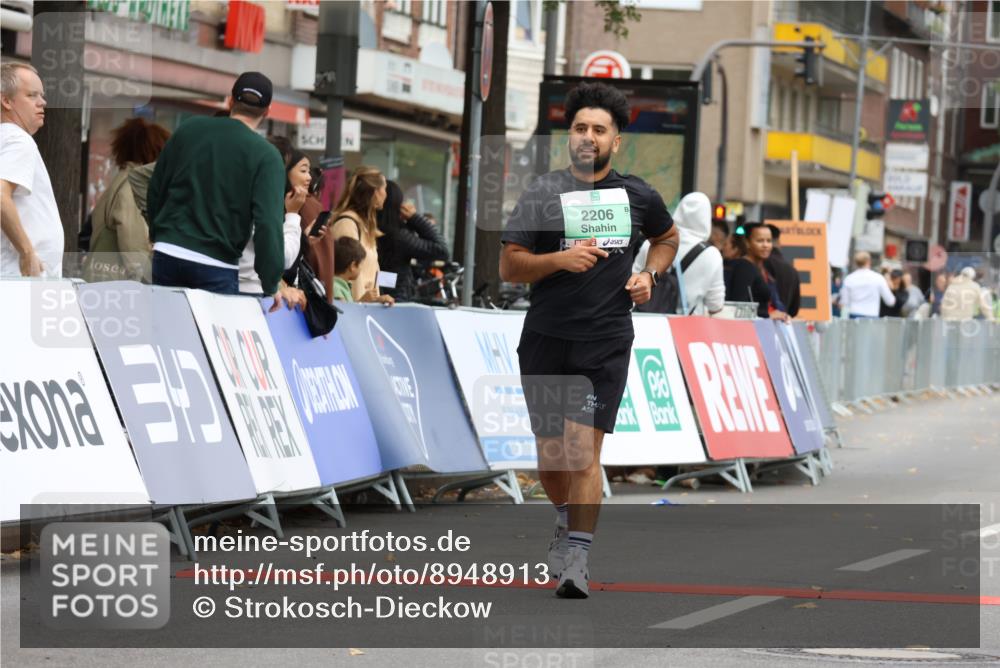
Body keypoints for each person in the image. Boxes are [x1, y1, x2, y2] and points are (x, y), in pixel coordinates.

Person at [499, 82, 680, 599]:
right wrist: (560, 259)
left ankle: (578, 555)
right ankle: (564, 518)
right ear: (569, 137)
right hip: (546, 338)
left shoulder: (638, 196)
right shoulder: (543, 193)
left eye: (599, 129)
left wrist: (650, 274)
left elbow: (667, 238)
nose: (588, 136)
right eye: (580, 127)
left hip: (604, 340)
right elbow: (510, 264)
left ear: (615, 141)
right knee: (551, 458)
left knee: (582, 451)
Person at [146, 72, 289, 307]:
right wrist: (270, 283)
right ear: (267, 112)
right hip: (217, 263)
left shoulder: (189, 129)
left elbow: (157, 187)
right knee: (210, 342)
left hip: (169, 251)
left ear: (230, 101)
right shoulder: (266, 156)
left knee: (167, 335)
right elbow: (268, 224)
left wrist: (157, 233)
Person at [84, 118, 170, 283]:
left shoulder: (121, 181)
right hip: (116, 287)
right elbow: (134, 247)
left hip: (101, 281)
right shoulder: (133, 188)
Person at [0, 63, 61, 278]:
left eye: (41, 95)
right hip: (21, 276)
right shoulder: (19, 140)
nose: (42, 102)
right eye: (32, 95)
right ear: (6, 100)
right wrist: (27, 252)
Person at [236, 141, 312, 296]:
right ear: (282, 171)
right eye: (303, 170)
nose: (309, 177)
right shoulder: (268, 204)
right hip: (249, 290)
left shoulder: (276, 202)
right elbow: (283, 258)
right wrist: (293, 215)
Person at [632, 192, 724, 315]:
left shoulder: (653, 243)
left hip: (647, 322)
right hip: (688, 328)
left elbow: (633, 281)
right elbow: (715, 305)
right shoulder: (712, 254)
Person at [330, 166, 394, 305]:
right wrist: (359, 304)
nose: (386, 194)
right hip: (355, 310)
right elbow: (347, 270)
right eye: (384, 189)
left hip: (367, 308)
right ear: (375, 192)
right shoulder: (347, 223)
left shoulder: (365, 225)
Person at [376, 180, 449, 302]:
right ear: (396, 205)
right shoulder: (399, 236)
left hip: (378, 296)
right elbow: (441, 250)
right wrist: (415, 218)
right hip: (396, 301)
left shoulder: (369, 228)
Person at [725, 223, 790, 321]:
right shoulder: (744, 267)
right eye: (760, 241)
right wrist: (768, 316)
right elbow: (738, 306)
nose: (765, 245)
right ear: (747, 243)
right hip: (746, 331)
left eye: (769, 241)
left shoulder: (760, 267)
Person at [722, 231, 771, 317]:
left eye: (726, 244)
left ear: (735, 248)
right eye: (760, 241)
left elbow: (739, 303)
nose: (722, 248)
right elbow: (739, 303)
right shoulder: (742, 267)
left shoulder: (743, 266)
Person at [839, 251, 895, 318]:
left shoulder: (849, 279)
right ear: (869, 261)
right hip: (872, 316)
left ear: (855, 263)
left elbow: (844, 302)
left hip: (854, 315)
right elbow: (890, 301)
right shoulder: (878, 278)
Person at [765, 226, 801, 318]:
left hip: (759, 324)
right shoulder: (792, 270)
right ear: (779, 242)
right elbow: (794, 310)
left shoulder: (761, 264)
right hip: (782, 326)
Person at [332, 236, 366, 303]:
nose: (361, 269)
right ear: (353, 266)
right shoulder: (335, 288)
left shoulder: (339, 286)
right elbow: (345, 312)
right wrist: (363, 301)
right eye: (361, 265)